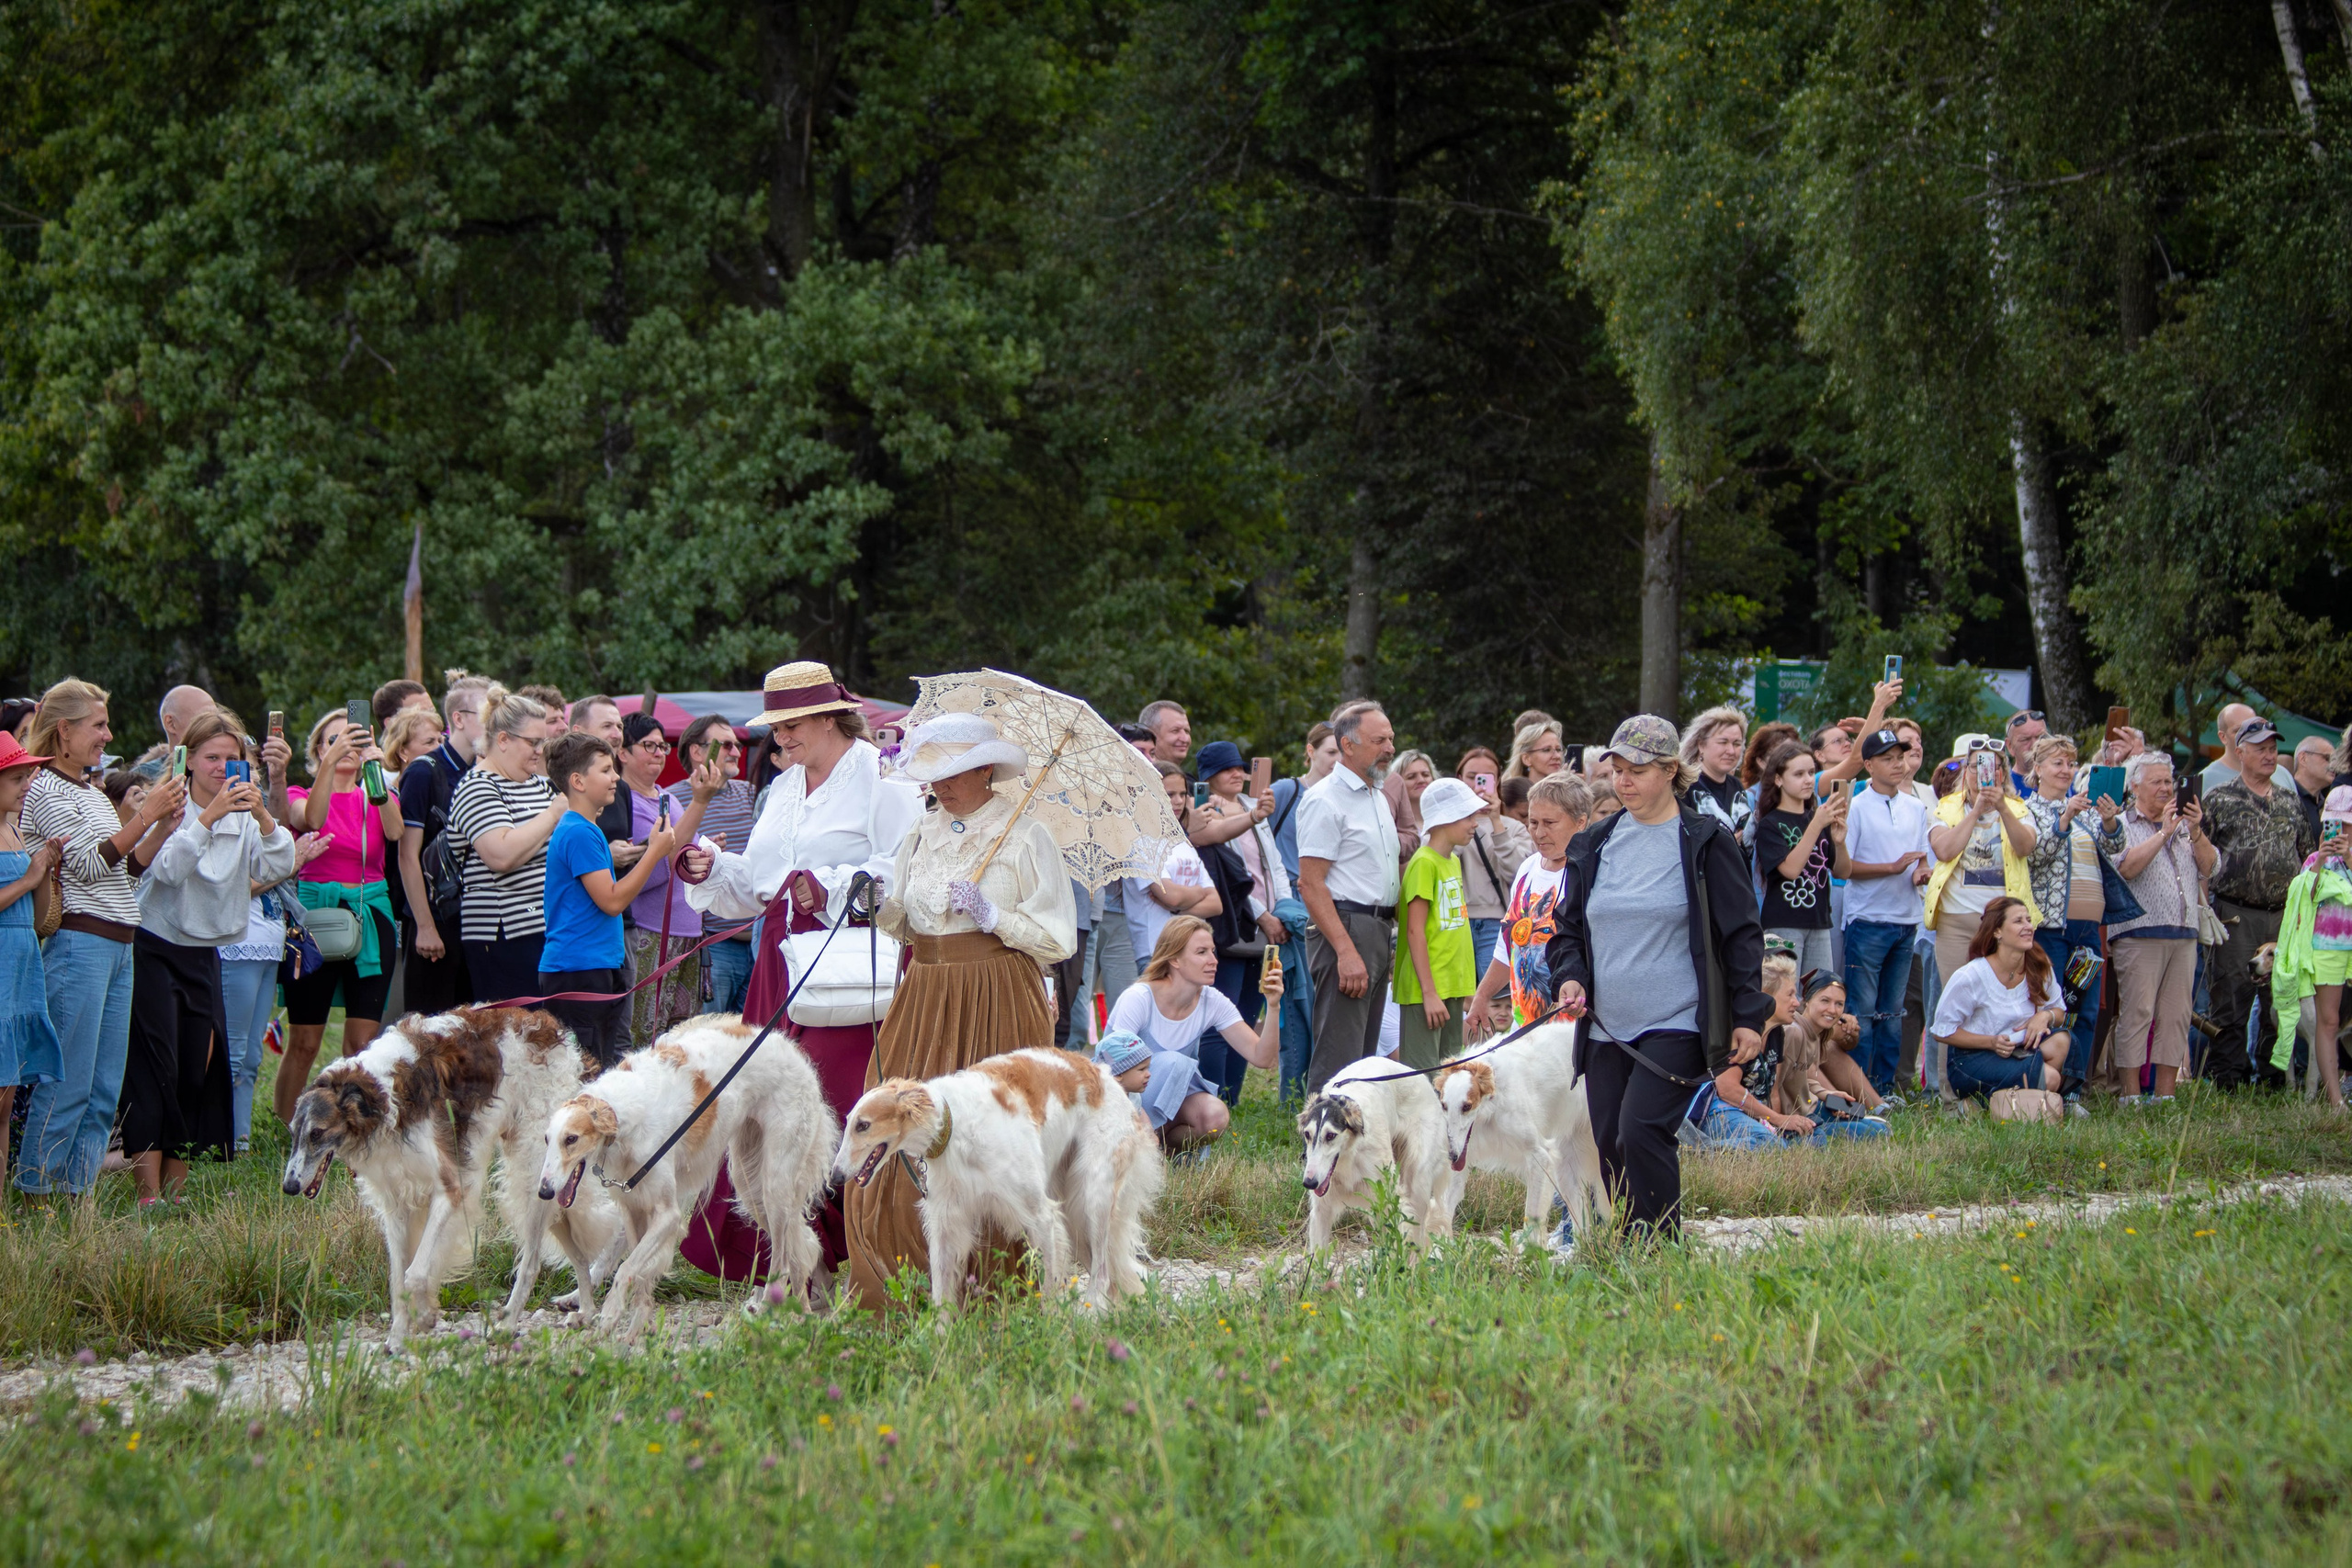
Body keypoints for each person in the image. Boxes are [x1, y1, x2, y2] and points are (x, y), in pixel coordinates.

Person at [678, 660, 922, 1280]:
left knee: (836, 1101)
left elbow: (904, 871)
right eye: (776, 727)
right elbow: (759, 885)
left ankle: (859, 1243)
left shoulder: (882, 779)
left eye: (791, 725)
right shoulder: (783, 789)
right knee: (768, 1102)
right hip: (780, 961)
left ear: (828, 717)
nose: (780, 738)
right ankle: (790, 1255)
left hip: (852, 964)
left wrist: (832, 886)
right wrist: (714, 871)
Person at [858, 711, 1076, 1311]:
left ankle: (999, 1284)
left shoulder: (1025, 833)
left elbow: (1060, 938)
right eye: (932, 775)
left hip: (998, 992)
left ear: (986, 769)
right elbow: (903, 918)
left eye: (951, 773)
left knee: (989, 1135)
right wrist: (876, 902)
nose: (939, 786)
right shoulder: (921, 832)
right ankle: (908, 1277)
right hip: (925, 990)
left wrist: (993, 916)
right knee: (897, 1114)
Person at [1544, 715, 1769, 1240]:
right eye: (1617, 769)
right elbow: (1567, 931)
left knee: (1641, 1129)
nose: (1623, 781)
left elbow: (1742, 934)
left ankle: (1663, 1247)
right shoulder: (1594, 842)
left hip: (1678, 1020)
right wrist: (1570, 979)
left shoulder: (1706, 840)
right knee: (1610, 1140)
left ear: (1670, 770)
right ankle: (1630, 1245)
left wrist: (1748, 1015)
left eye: (1636, 771)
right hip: (1604, 1026)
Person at [17, 681, 183, 1197]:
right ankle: (36, 1194)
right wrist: (146, 815)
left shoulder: (89, 790)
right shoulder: (43, 787)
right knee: (67, 1085)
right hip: (78, 944)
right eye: (98, 725)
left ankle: (75, 1197)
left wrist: (159, 828)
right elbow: (88, 867)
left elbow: (123, 871)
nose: (107, 736)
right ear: (63, 731)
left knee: (103, 1088)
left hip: (117, 942)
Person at [121, 712, 296, 1203]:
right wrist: (208, 817)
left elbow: (279, 864)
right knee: (156, 1069)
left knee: (197, 1072)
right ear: (189, 760)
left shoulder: (244, 814)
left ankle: (177, 1193)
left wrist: (262, 816)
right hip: (154, 946)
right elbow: (170, 871)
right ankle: (147, 1195)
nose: (222, 768)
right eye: (212, 758)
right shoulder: (173, 807)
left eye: (231, 759)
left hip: (206, 951)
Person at [273, 705, 406, 1125]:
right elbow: (310, 820)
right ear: (317, 750)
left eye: (355, 738)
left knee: (362, 1040)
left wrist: (374, 771)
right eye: (334, 740)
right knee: (306, 1039)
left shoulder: (377, 793)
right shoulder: (300, 793)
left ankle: (354, 1125)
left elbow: (395, 832)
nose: (346, 746)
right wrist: (333, 763)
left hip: (371, 911)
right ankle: (286, 1126)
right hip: (316, 912)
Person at [538, 732, 674, 1066]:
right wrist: (654, 853)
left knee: (599, 1064)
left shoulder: (586, 828)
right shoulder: (579, 831)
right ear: (577, 781)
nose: (616, 777)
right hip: (578, 970)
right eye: (605, 770)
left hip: (593, 966)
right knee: (584, 1072)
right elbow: (612, 902)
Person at [2202, 715, 2315, 1089]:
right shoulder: (2219, 798)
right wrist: (2204, 908)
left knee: (2279, 999)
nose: (2270, 755)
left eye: (2273, 749)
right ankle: (2228, 1078)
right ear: (2240, 752)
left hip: (2284, 915)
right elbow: (2199, 857)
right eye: (2261, 749)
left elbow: (2306, 855)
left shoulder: (2289, 800)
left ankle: (2273, 1078)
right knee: (2231, 995)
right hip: (2235, 911)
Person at [1107, 916, 1283, 1151]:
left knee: (1215, 1116)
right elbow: (1114, 1072)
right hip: (1118, 1100)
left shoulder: (1211, 1000)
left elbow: (1262, 1058)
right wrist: (1145, 1126)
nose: (1214, 960)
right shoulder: (1138, 998)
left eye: (1213, 951)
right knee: (1174, 1062)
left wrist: (1273, 1006)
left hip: (1167, 1102)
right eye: (1201, 952)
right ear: (1174, 959)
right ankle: (1140, 1145)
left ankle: (1165, 1151)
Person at [1295, 700, 1401, 1092]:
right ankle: (1317, 1148)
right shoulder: (1326, 799)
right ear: (1348, 745)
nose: (1390, 747)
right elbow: (1311, 883)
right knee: (1339, 1058)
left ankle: (1355, 1150)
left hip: (1375, 929)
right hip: (1346, 927)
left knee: (1364, 1059)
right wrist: (1345, 951)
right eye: (1379, 740)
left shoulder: (1376, 795)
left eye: (1391, 738)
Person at [2097, 751, 2213, 1104]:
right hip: (2138, 932)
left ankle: (2165, 1095)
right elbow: (2127, 868)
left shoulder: (2183, 825)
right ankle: (2130, 1095)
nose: (2167, 788)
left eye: (2170, 781)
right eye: (2158, 782)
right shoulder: (2123, 823)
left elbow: (2211, 867)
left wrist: (2194, 832)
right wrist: (2164, 832)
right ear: (2134, 787)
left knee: (2176, 1017)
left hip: (2183, 932)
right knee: (2138, 1014)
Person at [447, 687, 566, 1006]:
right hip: (502, 935)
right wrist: (554, 813)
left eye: (543, 742)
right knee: (513, 1040)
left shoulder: (539, 785)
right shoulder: (477, 786)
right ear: (503, 740)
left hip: (547, 929)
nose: (541, 751)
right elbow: (501, 854)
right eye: (533, 742)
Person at [1187, 740, 1289, 1101]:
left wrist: (1283, 906)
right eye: (1227, 768)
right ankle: (1212, 1098)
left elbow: (1272, 863)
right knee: (1221, 1017)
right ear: (1208, 776)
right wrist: (1262, 914)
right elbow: (1228, 874)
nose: (1237, 773)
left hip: (1264, 928)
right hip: (1231, 924)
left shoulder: (1251, 805)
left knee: (1248, 1014)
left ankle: (1232, 1098)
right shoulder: (1205, 809)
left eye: (1241, 767)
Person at [1839, 728, 1932, 1096]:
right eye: (1888, 758)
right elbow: (1844, 869)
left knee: (1893, 1015)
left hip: (1907, 920)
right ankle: (1861, 1089)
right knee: (1861, 1013)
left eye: (1901, 757)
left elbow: (1922, 859)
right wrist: (1891, 869)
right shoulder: (1857, 807)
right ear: (1868, 765)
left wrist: (1921, 873)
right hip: (1868, 920)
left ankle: (1886, 1088)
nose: (1898, 764)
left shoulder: (1916, 807)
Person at [1467, 772, 1590, 1038]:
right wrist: (1482, 996)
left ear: (1580, 822)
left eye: (1550, 822)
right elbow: (1507, 946)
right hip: (1525, 1028)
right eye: (1533, 822)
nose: (1538, 832)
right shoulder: (1528, 867)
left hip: (1572, 1033)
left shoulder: (1591, 874)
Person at [2019, 734, 2104, 1109]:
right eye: (2058, 763)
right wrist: (2065, 818)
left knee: (2085, 1009)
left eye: (2071, 764)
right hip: (2051, 926)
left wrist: (2111, 822)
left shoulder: (2083, 809)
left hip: (2088, 927)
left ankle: (2075, 1091)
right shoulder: (2027, 810)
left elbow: (2113, 851)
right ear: (2037, 769)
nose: (2066, 770)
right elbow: (2036, 857)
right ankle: (2053, 1088)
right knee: (2056, 1008)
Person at [1694, 955, 1857, 1148]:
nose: (1797, 1003)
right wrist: (1777, 1119)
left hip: (1755, 1114)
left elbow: (1773, 1094)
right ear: (1766, 995)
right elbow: (1727, 1089)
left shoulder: (1776, 1034)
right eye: (1789, 995)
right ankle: (1700, 1150)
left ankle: (1757, 1144)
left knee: (1812, 1139)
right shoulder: (1740, 1030)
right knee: (1772, 1146)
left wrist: (1780, 1124)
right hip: (1722, 1110)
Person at [395, 672, 487, 1014]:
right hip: (434, 918)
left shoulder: (484, 772)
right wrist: (424, 926)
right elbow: (408, 857)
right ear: (459, 719)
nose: (496, 724)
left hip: (476, 920)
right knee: (431, 1033)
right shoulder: (425, 771)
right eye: (487, 714)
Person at [1923, 736, 2040, 991]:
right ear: (1966, 772)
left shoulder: (2019, 809)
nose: (1982, 772)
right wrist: (1976, 811)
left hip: (2003, 921)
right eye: (1975, 766)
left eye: (1993, 766)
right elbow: (1944, 850)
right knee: (1956, 997)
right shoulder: (1948, 806)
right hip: (1955, 919)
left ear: (2003, 774)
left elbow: (2025, 847)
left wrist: (2001, 808)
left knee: (2001, 995)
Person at [613, 712, 702, 1045]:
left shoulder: (670, 798)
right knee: (643, 1034)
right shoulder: (625, 802)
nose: (659, 754)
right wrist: (701, 802)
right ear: (623, 752)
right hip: (651, 930)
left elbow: (680, 854)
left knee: (680, 1037)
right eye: (648, 745)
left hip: (689, 928)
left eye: (663, 746)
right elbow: (652, 871)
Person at [1931, 897, 2072, 1100]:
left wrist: (2045, 1017)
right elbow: (1942, 1031)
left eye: (2029, 920)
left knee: (2062, 1041)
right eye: (2018, 921)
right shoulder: (1971, 975)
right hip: (1973, 1060)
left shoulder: (2039, 966)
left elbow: (2059, 1011)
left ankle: (2019, 1105)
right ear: (1997, 931)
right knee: (2049, 1078)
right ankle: (2012, 1103)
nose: (2028, 927)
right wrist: (1990, 1042)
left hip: (2017, 1050)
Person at [0, 732, 62, 1179]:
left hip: (22, 957)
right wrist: (29, 877)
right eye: (17, 778)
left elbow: (39, 919)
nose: (27, 785)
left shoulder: (14, 828)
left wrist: (45, 875)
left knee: (6, 1095)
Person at [1264, 722, 1337, 1098]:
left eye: (1342, 753)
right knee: (1297, 1002)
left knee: (1319, 1002)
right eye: (1330, 752)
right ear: (1310, 751)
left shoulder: (1343, 798)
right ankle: (1291, 1093)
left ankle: (1315, 1088)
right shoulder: (1287, 791)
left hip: (1326, 901)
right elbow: (1259, 842)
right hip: (1290, 902)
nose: (1336, 761)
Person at [2267, 787, 2352, 1109]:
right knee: (2328, 1021)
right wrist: (2321, 861)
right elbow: (2304, 900)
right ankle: (2335, 1100)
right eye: (2334, 823)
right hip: (2326, 947)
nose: (2340, 830)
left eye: (2346, 823)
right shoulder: (2316, 859)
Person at [669, 715, 757, 1015]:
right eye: (727, 744)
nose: (737, 751)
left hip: (759, 943)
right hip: (714, 948)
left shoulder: (749, 792)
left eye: (739, 745)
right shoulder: (672, 799)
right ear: (697, 752)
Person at [1392, 778, 1482, 1070]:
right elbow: (1415, 931)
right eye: (1468, 816)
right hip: (1426, 991)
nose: (1475, 823)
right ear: (1446, 818)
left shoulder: (1453, 861)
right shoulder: (1424, 863)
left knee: (1450, 1074)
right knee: (1422, 1078)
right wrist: (1429, 994)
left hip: (1453, 986)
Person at [1754, 740, 1849, 975]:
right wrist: (1817, 824)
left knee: (1818, 994)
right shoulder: (1770, 824)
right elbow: (1790, 870)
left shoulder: (1818, 818)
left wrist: (1839, 841)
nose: (1808, 780)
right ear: (1778, 779)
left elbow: (1843, 872)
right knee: (1784, 995)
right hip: (1783, 924)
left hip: (1819, 922)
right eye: (1798, 774)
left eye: (1811, 772)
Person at [1125, 762, 1221, 965]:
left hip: (1193, 951)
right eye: (1169, 794)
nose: (1178, 801)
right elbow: (1172, 896)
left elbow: (1215, 904)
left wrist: (1177, 911)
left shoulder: (1184, 843)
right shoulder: (1141, 841)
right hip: (1157, 951)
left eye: (1182, 794)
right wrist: (1198, 892)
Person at [1453, 747, 1529, 980]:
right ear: (1459, 780)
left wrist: (1496, 821)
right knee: (1459, 1001)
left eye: (1486, 778)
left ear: (1496, 782)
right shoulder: (1447, 823)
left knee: (1496, 1003)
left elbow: (1518, 874)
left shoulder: (1514, 826)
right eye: (1472, 777)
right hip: (1456, 923)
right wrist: (1460, 815)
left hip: (1497, 923)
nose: (1479, 785)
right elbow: (1439, 859)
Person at [1679, 705, 1752, 848]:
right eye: (1723, 742)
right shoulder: (1684, 786)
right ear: (1701, 745)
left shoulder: (1736, 785)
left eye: (1737, 744)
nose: (1730, 751)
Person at [2200, 702, 2297, 794]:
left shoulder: (2282, 774)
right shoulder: (2205, 780)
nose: (2247, 736)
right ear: (2223, 737)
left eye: (2253, 729)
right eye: (2238, 730)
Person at [129, 685, 215, 783]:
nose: (214, 727)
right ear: (171, 724)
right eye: (203, 720)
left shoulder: (226, 769)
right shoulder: (143, 776)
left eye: (215, 719)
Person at [2292, 737, 2335, 843]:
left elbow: (2333, 853)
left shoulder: (2330, 806)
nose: (2334, 765)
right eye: (2327, 758)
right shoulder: (2286, 798)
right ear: (2303, 758)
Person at [380, 706, 444, 776]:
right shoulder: (383, 786)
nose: (440, 747)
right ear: (402, 752)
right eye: (430, 742)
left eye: (440, 741)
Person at [1502, 720, 1566, 784]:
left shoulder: (1571, 790)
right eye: (1547, 750)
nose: (1557, 756)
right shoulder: (1510, 792)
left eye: (1558, 749)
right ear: (1526, 759)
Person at [2003, 709, 2046, 792]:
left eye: (2040, 737)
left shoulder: (2065, 780)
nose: (2035, 745)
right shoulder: (2004, 788)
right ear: (2010, 746)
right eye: (2025, 739)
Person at [1138, 700, 1191, 768]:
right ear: (1150, 734)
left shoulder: (1188, 778)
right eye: (1175, 731)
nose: (1185, 739)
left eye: (1187, 731)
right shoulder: (1131, 776)